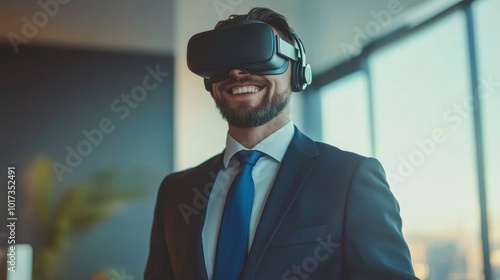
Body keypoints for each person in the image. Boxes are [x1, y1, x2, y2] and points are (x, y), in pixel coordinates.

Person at [145, 7, 418, 280]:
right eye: (225, 60)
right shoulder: (176, 192)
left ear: (296, 70)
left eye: (258, 53)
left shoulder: (350, 179)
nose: (237, 71)